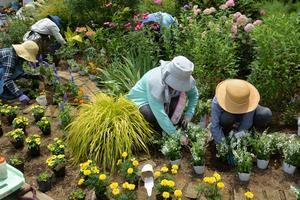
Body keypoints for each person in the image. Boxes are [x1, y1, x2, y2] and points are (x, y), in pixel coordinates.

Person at [127, 56, 199, 135]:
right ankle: (156, 134)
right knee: (150, 115)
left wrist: (189, 114)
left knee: (175, 109)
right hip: (142, 100)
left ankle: (168, 128)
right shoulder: (154, 81)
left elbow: (194, 95)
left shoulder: (182, 75)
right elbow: (160, 114)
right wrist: (175, 135)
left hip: (164, 100)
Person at [210, 79, 272, 145]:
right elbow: (215, 126)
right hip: (230, 116)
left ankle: (253, 130)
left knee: (265, 114)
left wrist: (236, 137)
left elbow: (247, 121)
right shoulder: (217, 101)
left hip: (244, 115)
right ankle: (227, 130)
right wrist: (223, 144)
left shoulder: (247, 98)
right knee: (226, 118)